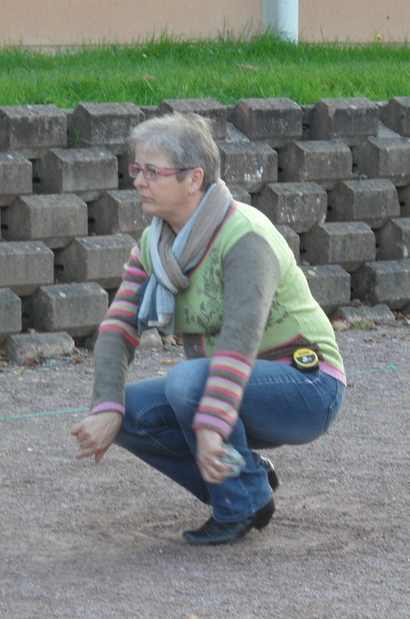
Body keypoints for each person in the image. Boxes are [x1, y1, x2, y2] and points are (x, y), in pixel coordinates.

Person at [71, 112, 346, 546]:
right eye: (136, 169)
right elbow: (118, 327)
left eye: (153, 172)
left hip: (306, 386)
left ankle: (239, 502)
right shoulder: (155, 245)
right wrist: (105, 405)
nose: (139, 181)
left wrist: (211, 424)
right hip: (225, 383)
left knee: (187, 381)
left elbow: (240, 339)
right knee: (127, 413)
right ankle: (248, 482)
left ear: (193, 178)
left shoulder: (246, 236)